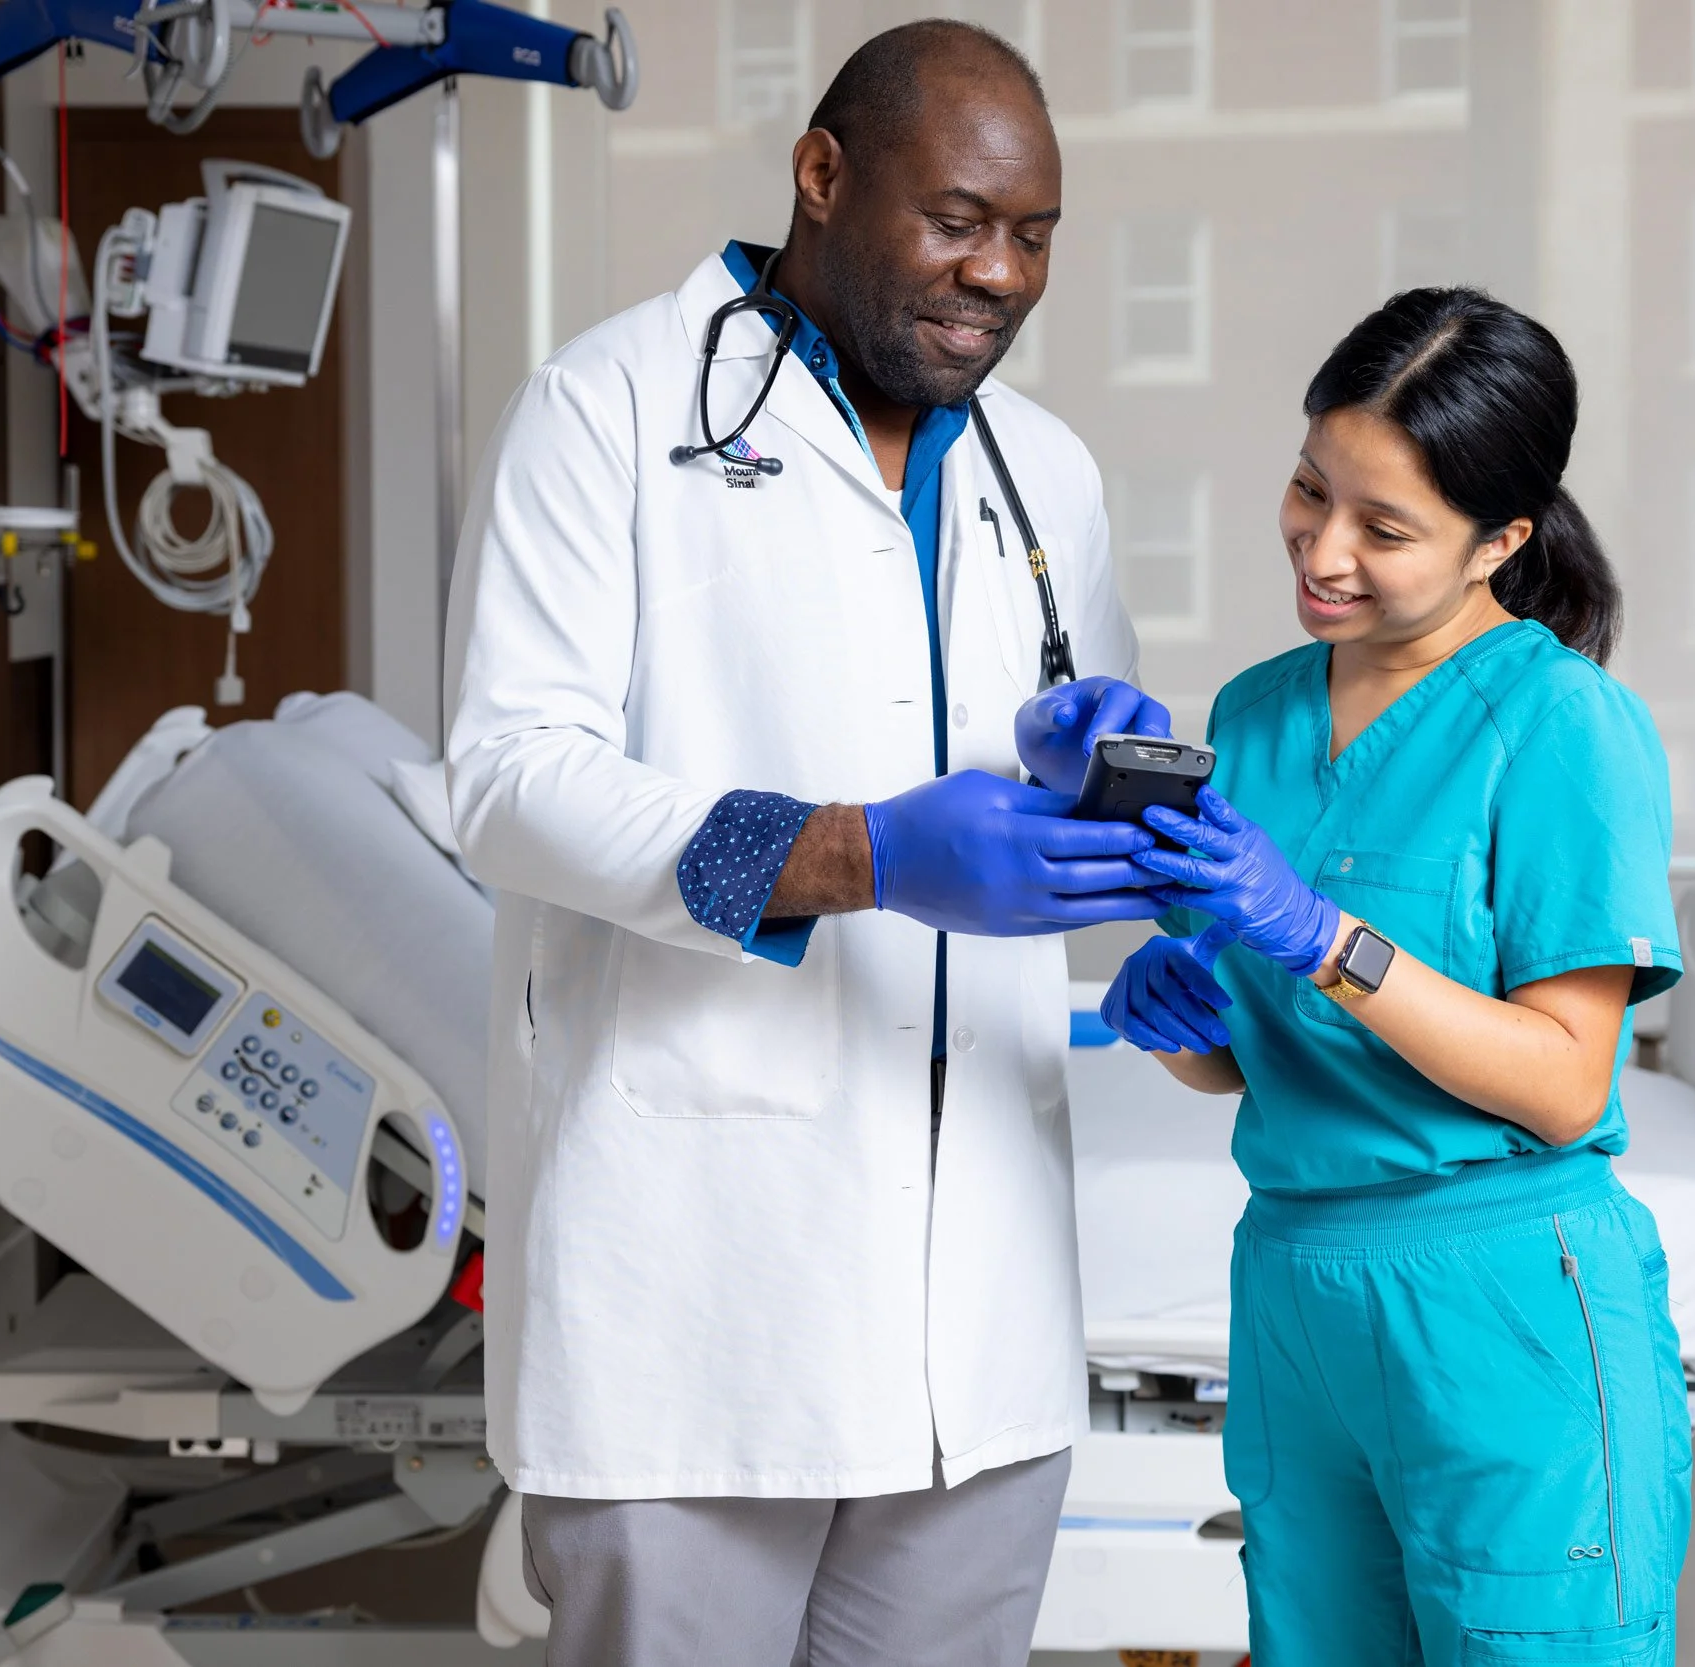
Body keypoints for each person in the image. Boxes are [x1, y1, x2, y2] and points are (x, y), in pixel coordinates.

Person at [445, 22, 1169, 1665]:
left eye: (1036, 235)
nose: (999, 273)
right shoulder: (608, 410)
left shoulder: (1044, 471)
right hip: (699, 1294)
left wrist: (1128, 803)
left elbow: (1084, 769)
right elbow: (503, 779)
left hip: (976, 1324)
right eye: (958, 220)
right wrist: (861, 854)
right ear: (822, 177)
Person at [1101, 288, 1693, 1666]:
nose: (1323, 547)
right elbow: (1247, 1052)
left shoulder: (1563, 726)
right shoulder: (1251, 714)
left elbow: (1561, 1081)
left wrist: (1319, 934)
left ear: (1501, 540)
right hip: (1297, 1279)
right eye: (1312, 488)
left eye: (1386, 527)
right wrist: (1175, 1016)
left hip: (1501, 1290)